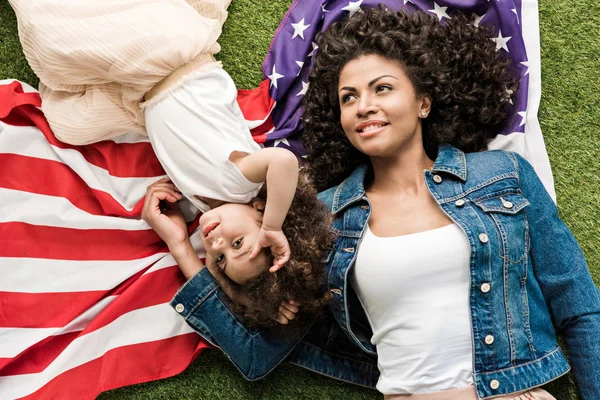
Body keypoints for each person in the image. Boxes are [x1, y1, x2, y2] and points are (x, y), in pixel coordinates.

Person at [165, 6, 600, 400]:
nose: (363, 106)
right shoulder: (326, 215)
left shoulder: (503, 174)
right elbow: (257, 354)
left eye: (382, 88)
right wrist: (183, 249)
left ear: (423, 102)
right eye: (348, 97)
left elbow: (579, 307)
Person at [9, 0, 332, 328]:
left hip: (141, 99)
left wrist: (242, 297)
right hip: (170, 59)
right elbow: (283, 161)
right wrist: (272, 229)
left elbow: (209, 275)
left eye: (219, 258)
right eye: (238, 243)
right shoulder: (239, 182)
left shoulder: (201, 206)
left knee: (69, 123)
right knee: (55, 44)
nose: (218, 244)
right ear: (260, 212)